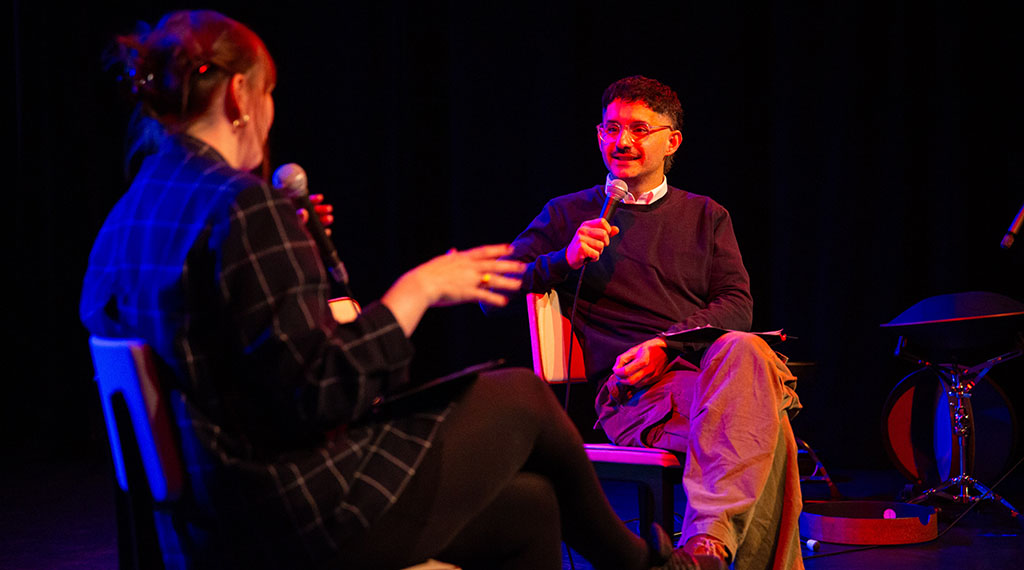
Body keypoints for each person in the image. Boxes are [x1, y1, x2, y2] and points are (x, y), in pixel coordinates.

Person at [79, 12, 721, 570]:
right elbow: (321, 395)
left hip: (207, 513)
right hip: (291, 513)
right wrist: (414, 295)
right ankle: (640, 562)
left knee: (531, 508)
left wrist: (290, 250)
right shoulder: (242, 206)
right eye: (271, 93)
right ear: (242, 94)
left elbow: (239, 352)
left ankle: (636, 561)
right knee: (522, 396)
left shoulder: (131, 211)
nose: (271, 112)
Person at [489, 76, 804, 570]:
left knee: (744, 348)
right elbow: (492, 295)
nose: (624, 142)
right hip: (633, 394)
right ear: (599, 135)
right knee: (771, 431)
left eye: (639, 129)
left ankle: (707, 552)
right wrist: (562, 260)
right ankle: (710, 550)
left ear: (671, 140)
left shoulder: (707, 215)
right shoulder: (568, 212)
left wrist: (667, 345)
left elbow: (737, 304)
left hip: (710, 377)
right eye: (612, 128)